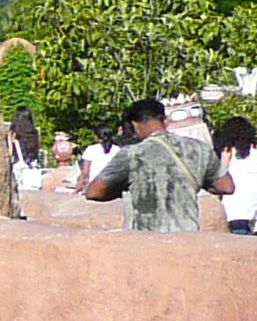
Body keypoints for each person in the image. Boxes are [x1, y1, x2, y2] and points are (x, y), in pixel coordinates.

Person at [82, 97, 230, 231]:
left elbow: (93, 192)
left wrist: (123, 189)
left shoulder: (132, 154)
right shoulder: (199, 148)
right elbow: (226, 187)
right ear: (164, 120)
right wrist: (197, 183)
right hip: (187, 236)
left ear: (135, 124)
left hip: (147, 240)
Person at [215, 116, 257, 235]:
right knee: (247, 222)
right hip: (255, 186)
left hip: (236, 186)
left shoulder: (228, 150)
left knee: (235, 222)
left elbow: (222, 170)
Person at [7, 108, 45, 195]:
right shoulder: (34, 133)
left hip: (19, 170)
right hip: (33, 169)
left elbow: (10, 153)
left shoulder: (13, 134)